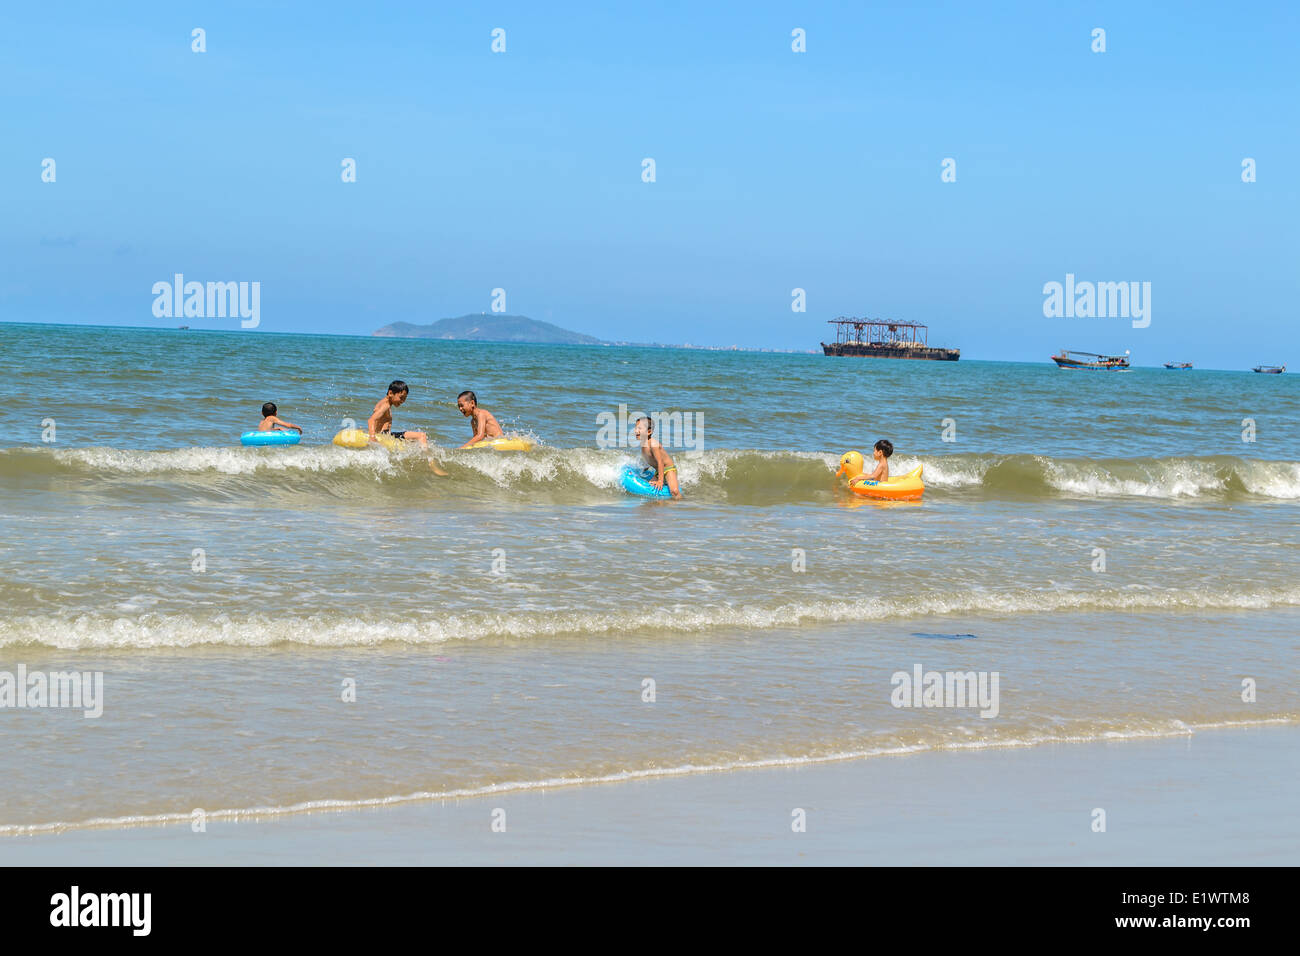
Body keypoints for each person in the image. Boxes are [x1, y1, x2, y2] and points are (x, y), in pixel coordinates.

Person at [367, 380, 447, 475]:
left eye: (404, 399)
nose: (402, 401)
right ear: (390, 393)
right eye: (401, 398)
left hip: (386, 435)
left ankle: (423, 459)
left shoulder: (385, 403)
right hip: (383, 436)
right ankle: (431, 463)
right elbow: (371, 420)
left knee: (416, 440)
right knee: (421, 436)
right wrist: (372, 438)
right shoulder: (385, 405)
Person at [634, 415, 681, 498]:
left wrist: (660, 481)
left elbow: (660, 462)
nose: (636, 431)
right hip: (658, 472)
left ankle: (681, 505)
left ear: (648, 432)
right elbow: (649, 459)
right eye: (636, 428)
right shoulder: (643, 444)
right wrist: (644, 469)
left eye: (639, 428)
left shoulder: (653, 444)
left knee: (674, 492)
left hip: (668, 470)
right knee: (649, 489)